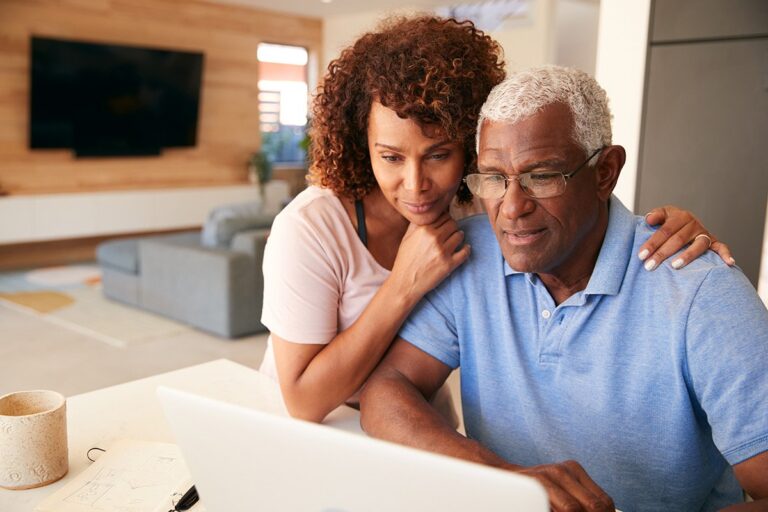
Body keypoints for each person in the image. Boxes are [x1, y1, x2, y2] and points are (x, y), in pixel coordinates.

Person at [261, 16, 732, 424]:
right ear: (361, 144)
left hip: (413, 425)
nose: (416, 183)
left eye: (439, 154)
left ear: (470, 144)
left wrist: (669, 224)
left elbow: (570, 198)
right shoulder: (311, 228)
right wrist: (403, 284)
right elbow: (303, 400)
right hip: (319, 432)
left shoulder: (479, 202)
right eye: (390, 157)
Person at [358, 66, 768, 512]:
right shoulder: (468, 254)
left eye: (542, 176)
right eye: (494, 177)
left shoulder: (700, 291)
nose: (512, 208)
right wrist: (507, 480)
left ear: (605, 172)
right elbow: (386, 390)